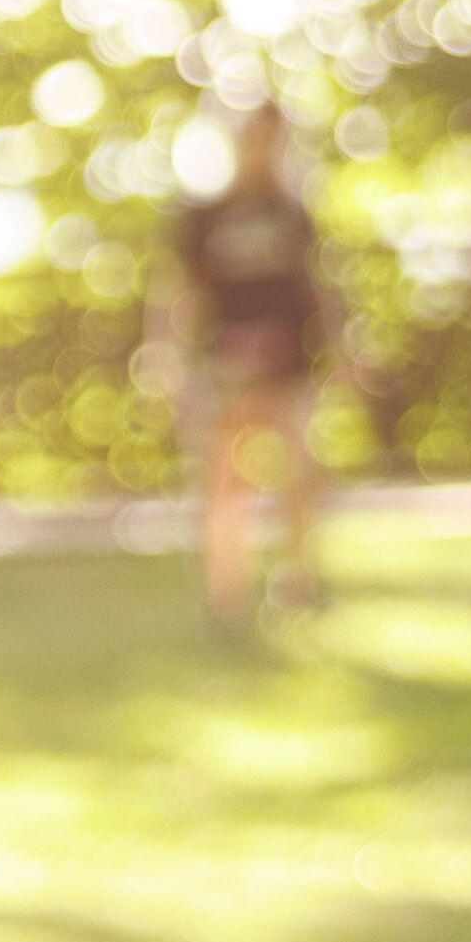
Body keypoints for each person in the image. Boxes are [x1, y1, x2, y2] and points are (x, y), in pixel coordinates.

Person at [171, 97, 343, 632]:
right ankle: (227, 596)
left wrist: (343, 351)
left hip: (288, 365)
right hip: (227, 369)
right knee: (227, 481)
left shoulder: (292, 213)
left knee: (302, 470)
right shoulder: (206, 217)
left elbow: (318, 290)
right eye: (256, 137)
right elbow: (183, 295)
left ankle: (295, 584)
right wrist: (174, 364)